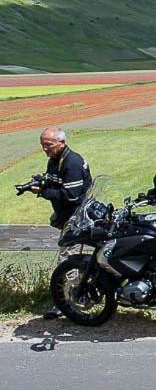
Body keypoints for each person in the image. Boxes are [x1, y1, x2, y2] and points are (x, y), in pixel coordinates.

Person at [28, 128, 92, 320]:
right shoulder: (55, 160)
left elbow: (71, 196)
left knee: (68, 260)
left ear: (61, 142)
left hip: (77, 216)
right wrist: (44, 182)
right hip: (69, 216)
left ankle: (65, 303)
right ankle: (78, 297)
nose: (45, 149)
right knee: (73, 259)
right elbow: (57, 184)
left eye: (49, 145)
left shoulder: (72, 163)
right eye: (42, 145)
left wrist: (42, 191)